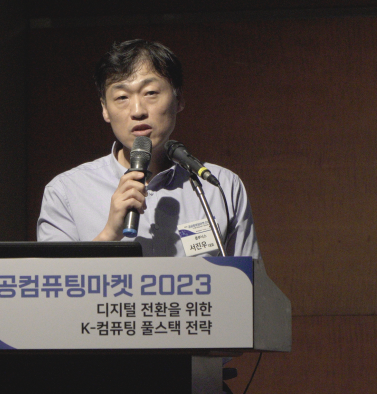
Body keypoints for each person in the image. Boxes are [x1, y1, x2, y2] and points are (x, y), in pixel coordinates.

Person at [37, 39, 260, 261]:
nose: (137, 111)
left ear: (179, 99)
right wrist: (109, 234)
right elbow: (51, 281)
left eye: (151, 93)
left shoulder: (219, 186)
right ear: (105, 109)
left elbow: (251, 279)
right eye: (122, 97)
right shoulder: (65, 192)